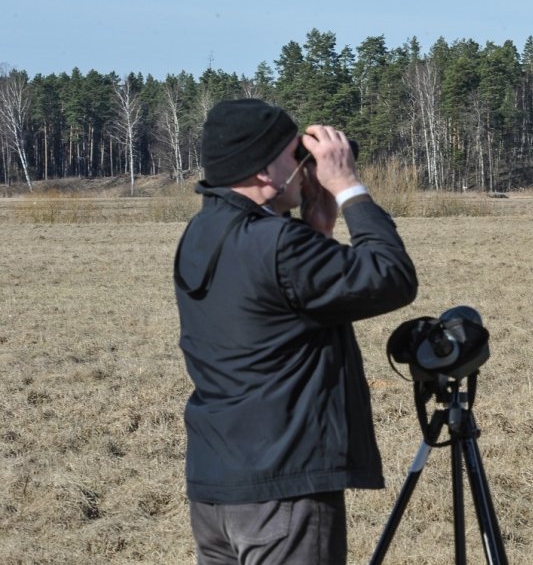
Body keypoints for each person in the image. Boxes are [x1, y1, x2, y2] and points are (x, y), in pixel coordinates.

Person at [173, 98, 418, 563]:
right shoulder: (279, 243)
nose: (308, 171)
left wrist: (319, 233)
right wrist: (348, 187)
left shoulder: (202, 232)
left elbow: (279, 309)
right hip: (282, 489)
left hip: (217, 486)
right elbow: (391, 277)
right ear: (266, 171)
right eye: (297, 157)